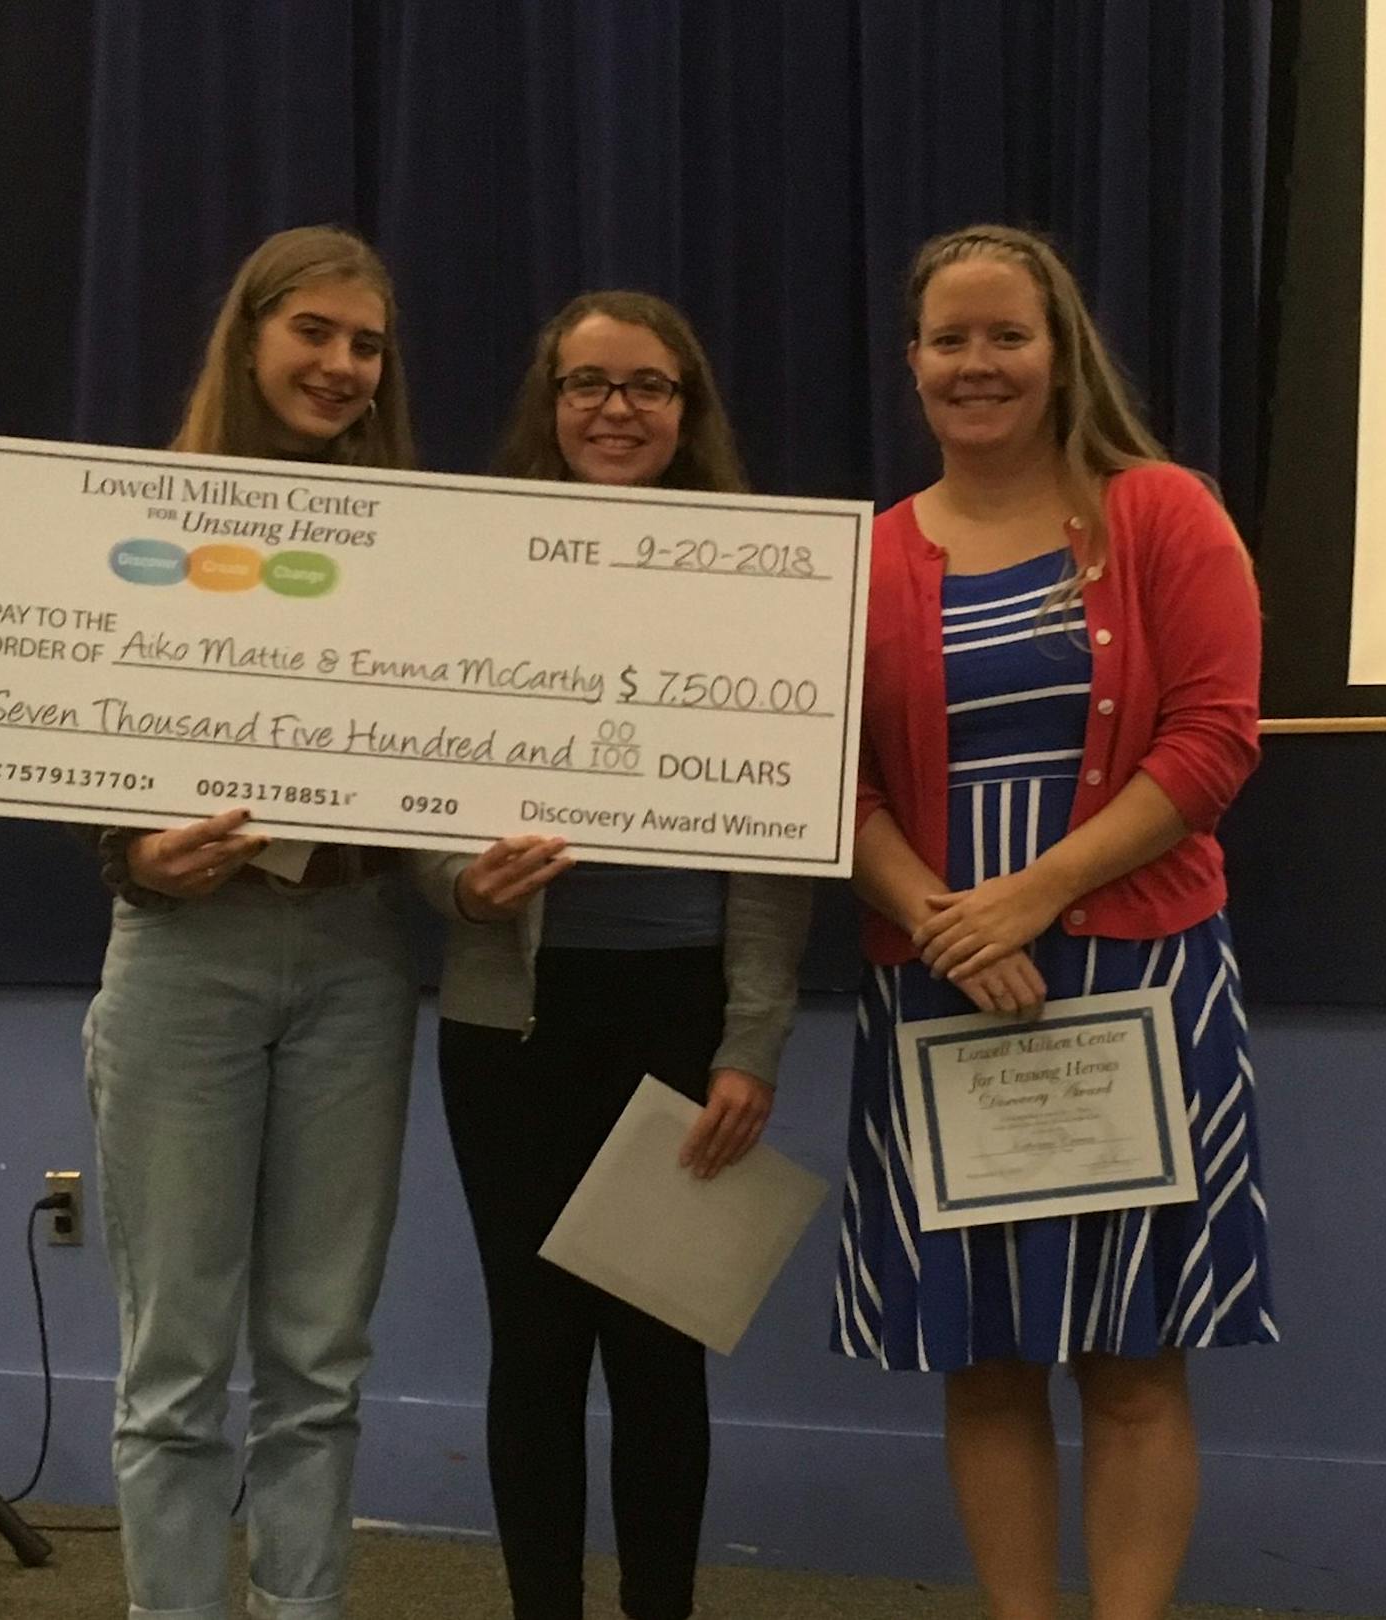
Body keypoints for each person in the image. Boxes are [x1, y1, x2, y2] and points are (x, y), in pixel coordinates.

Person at [835, 223, 1275, 1620]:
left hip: (1139, 982)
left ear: (1058, 350)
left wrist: (1035, 895)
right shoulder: (871, 556)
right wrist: (945, 920)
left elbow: (1213, 744)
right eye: (950, 340)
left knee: (1135, 1361)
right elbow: (823, 781)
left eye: (1005, 336)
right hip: (942, 990)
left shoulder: (1162, 512)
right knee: (990, 1353)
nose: (979, 364)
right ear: (912, 366)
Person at [409, 290, 813, 1620]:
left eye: (647, 386)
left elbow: (776, 838)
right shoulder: (475, 569)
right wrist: (457, 883)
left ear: (688, 411)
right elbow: (405, 770)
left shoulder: (760, 580)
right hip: (509, 1020)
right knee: (533, 1350)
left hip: (676, 1009)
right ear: (550, 401)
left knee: (657, 1353)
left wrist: (750, 1037)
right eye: (588, 384)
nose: (616, 409)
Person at [82, 225, 419, 1620]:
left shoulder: (425, 540)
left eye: (368, 345)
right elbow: (68, 728)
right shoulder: (134, 518)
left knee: (320, 1361)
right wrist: (133, 849)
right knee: (173, 1368)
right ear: (251, 336)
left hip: (357, 957)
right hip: (184, 957)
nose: (342, 366)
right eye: (317, 334)